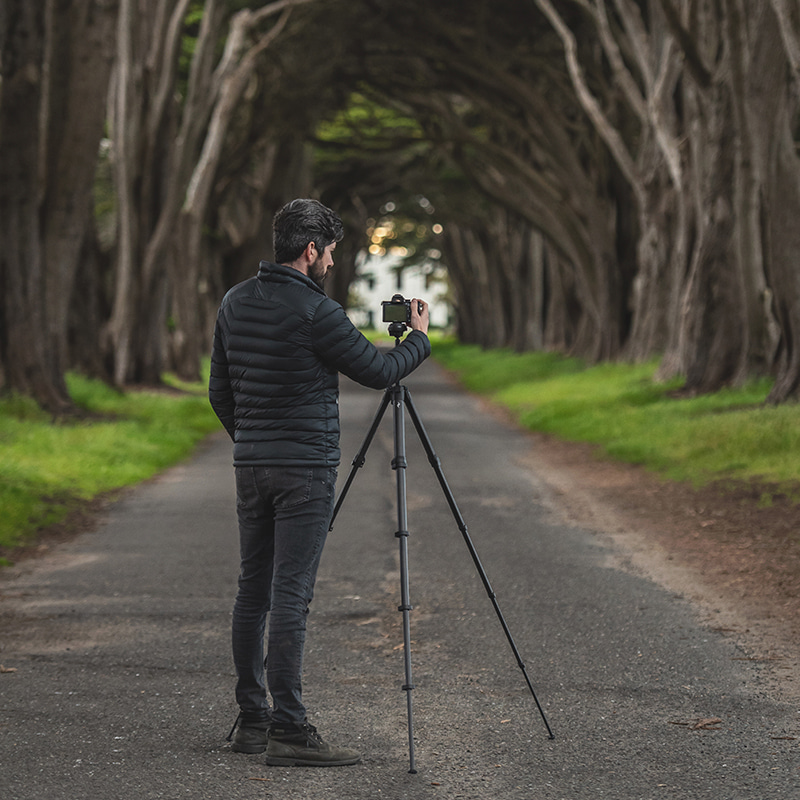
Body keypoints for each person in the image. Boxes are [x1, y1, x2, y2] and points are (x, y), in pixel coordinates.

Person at [208, 198, 430, 766]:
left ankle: (252, 722)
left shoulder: (235, 301)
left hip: (251, 466)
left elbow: (219, 393)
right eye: (329, 251)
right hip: (304, 470)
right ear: (311, 251)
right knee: (291, 596)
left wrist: (255, 441)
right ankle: (290, 730)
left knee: (252, 591)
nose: (330, 261)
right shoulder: (317, 312)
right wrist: (418, 340)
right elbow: (379, 372)